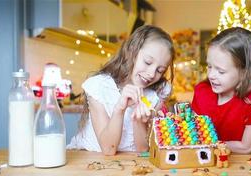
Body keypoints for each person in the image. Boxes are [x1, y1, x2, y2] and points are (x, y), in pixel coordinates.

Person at [67, 25, 174, 155]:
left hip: (129, 164)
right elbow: (108, 149)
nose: (152, 74)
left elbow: (143, 150)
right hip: (88, 158)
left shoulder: (156, 95)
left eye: (160, 70)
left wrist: (138, 121)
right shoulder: (99, 86)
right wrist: (119, 108)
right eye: (147, 62)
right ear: (132, 52)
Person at [192, 27, 251, 154]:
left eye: (220, 71)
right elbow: (196, 131)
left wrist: (211, 144)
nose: (211, 75)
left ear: (245, 72)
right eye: (209, 66)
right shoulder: (202, 92)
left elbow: (246, 147)